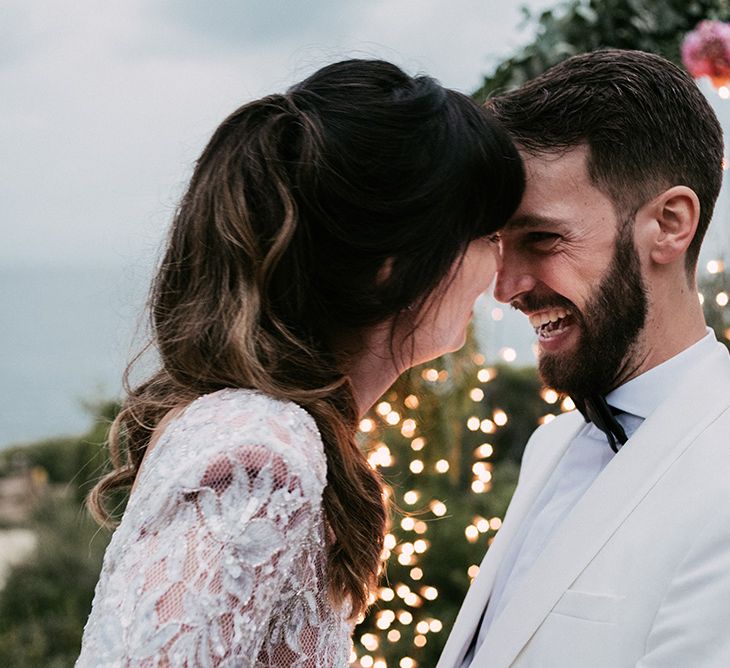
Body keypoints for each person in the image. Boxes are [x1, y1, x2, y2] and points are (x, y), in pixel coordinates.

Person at [76, 59, 524, 667]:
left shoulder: (272, 432)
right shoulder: (261, 453)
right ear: (392, 263)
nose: (500, 273)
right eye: (484, 235)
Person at [438, 49, 730, 668]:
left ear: (669, 224)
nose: (506, 285)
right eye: (498, 244)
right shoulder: (553, 442)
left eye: (542, 238)